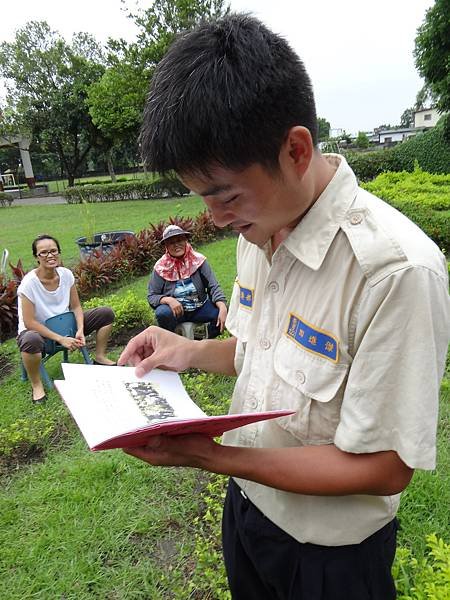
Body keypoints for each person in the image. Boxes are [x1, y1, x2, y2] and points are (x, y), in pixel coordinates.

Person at [118, 14, 450, 600]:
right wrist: (188, 350)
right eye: (202, 198)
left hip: (330, 559)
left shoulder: (393, 272)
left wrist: (213, 459)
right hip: (248, 515)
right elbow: (261, 350)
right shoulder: (260, 232)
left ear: (296, 149)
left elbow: (383, 466)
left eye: (225, 195)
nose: (215, 219)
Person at [17, 234, 116, 404]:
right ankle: (37, 385)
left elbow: (76, 306)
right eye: (44, 252)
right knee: (30, 340)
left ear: (59, 252)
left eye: (53, 251)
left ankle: (99, 356)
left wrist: (79, 329)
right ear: (36, 257)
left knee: (106, 314)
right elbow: (29, 322)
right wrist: (60, 339)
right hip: (40, 332)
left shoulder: (66, 275)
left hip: (66, 326)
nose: (50, 255)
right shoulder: (29, 284)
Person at [148, 224, 228, 339]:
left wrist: (222, 307)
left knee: (220, 312)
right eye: (171, 242)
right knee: (162, 314)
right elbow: (152, 296)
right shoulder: (160, 267)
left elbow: (213, 286)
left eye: (180, 240)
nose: (176, 245)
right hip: (176, 312)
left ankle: (205, 343)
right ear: (166, 246)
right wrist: (169, 300)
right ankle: (173, 342)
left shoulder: (199, 261)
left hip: (200, 307)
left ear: (186, 241)